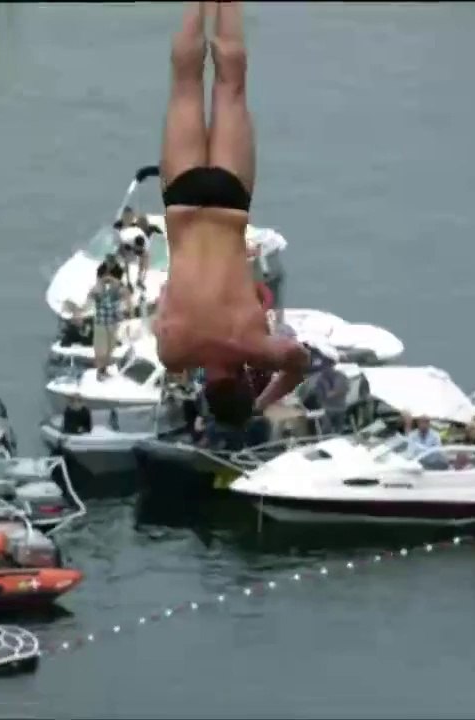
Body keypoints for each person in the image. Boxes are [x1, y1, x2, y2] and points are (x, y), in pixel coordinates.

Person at [152, 2, 308, 431]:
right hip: (182, 206)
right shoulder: (174, 352)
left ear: (244, 380)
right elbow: (163, 299)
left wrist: (264, 400)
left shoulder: (255, 344)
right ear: (206, 390)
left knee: (231, 82)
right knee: (184, 82)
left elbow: (299, 363)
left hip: (229, 205)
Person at [88, 263, 124, 380]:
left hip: (113, 323)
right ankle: (100, 372)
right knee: (101, 351)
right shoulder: (98, 289)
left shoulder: (117, 289)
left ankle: (104, 371)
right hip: (101, 324)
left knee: (110, 349)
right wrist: (102, 282)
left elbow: (125, 294)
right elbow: (91, 295)